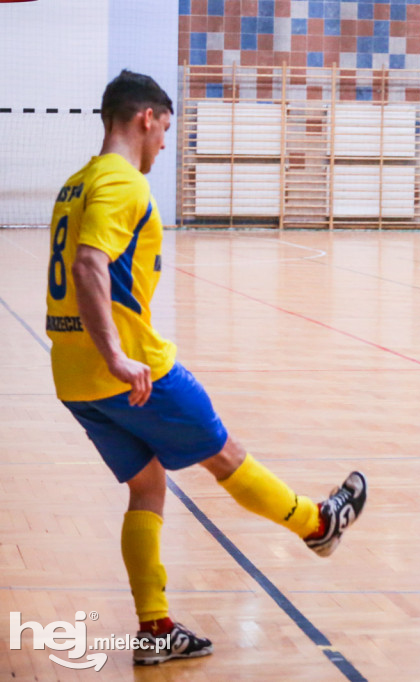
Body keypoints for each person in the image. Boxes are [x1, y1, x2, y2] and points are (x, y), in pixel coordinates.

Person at [44, 70, 368, 666]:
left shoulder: (77, 182)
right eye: (165, 129)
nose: (164, 145)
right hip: (131, 370)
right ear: (146, 118)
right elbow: (90, 266)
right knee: (226, 454)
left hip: (73, 375)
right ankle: (317, 524)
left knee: (147, 485)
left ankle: (155, 628)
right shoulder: (122, 182)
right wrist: (118, 355)